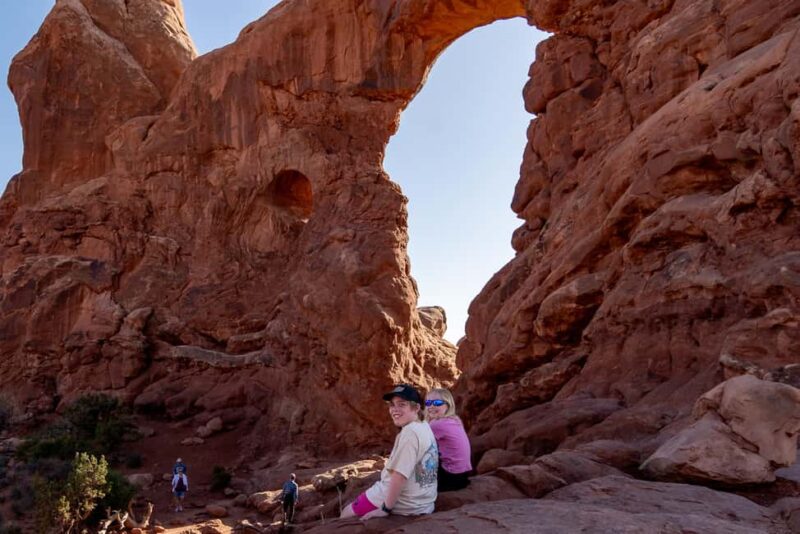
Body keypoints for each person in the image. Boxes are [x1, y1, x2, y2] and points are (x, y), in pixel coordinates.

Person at [340, 384, 438, 520]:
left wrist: (386, 508)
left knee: (346, 514)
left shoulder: (410, 433)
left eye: (402, 404)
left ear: (416, 408)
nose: (395, 410)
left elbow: (399, 476)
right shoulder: (424, 425)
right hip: (423, 503)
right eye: (392, 405)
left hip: (404, 503)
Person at [425, 388, 472, 492]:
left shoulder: (437, 424)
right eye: (428, 403)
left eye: (437, 403)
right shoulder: (454, 419)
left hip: (450, 476)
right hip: (463, 475)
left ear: (448, 405)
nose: (431, 406)